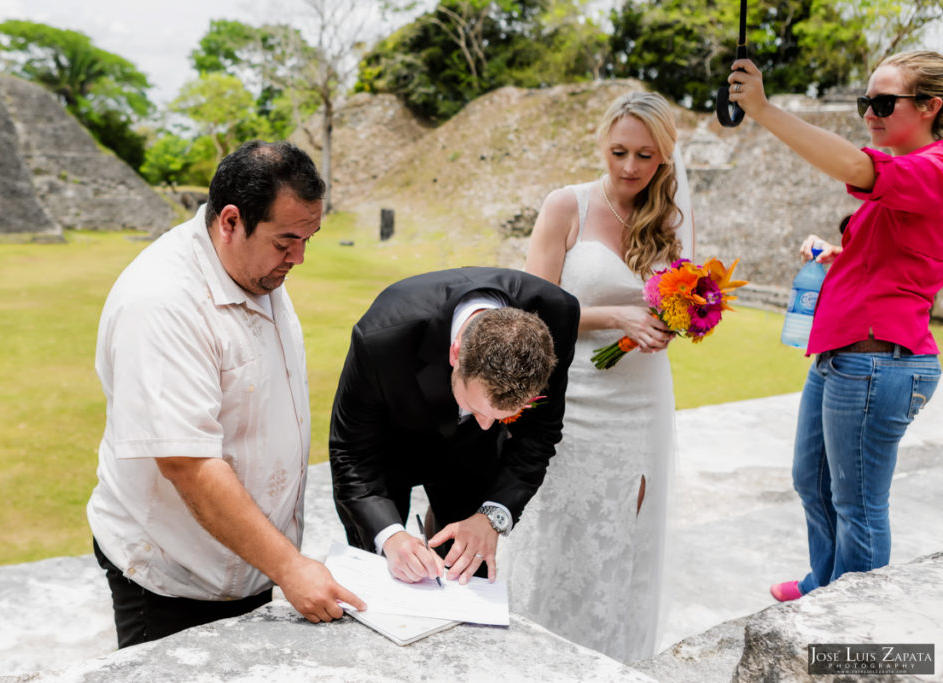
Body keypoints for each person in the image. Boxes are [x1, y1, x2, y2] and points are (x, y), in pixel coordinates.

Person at [86, 140, 365, 648]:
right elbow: (186, 463)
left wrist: (277, 565)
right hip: (173, 579)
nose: (299, 258)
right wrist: (289, 566)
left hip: (249, 564)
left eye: (309, 238)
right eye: (285, 242)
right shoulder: (162, 302)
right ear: (230, 222)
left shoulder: (252, 268)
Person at [725, 51, 943, 601]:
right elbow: (899, 259)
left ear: (930, 107)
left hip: (879, 360)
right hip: (849, 355)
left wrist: (764, 109)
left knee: (859, 506)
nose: (870, 112)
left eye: (884, 102)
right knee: (812, 482)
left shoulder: (935, 167)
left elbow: (854, 167)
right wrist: (838, 253)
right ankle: (824, 586)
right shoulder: (912, 177)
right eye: (865, 100)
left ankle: (856, 636)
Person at [504, 91, 695, 661]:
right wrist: (614, 316)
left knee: (624, 535)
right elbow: (529, 314)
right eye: (619, 152)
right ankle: (539, 654)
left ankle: (610, 654)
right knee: (559, 528)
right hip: (573, 395)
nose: (631, 167)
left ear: (664, 157)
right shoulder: (567, 206)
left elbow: (677, 300)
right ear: (602, 144)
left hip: (641, 399)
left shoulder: (669, 219)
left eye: (646, 155)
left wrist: (681, 318)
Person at [328, 267, 579, 587]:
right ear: (456, 352)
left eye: (504, 417)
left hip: (473, 457)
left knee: (469, 577)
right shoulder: (382, 335)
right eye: (477, 409)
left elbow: (539, 436)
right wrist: (391, 537)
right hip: (389, 448)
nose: (490, 426)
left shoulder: (558, 314)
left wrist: (492, 516)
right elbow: (351, 452)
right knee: (383, 578)